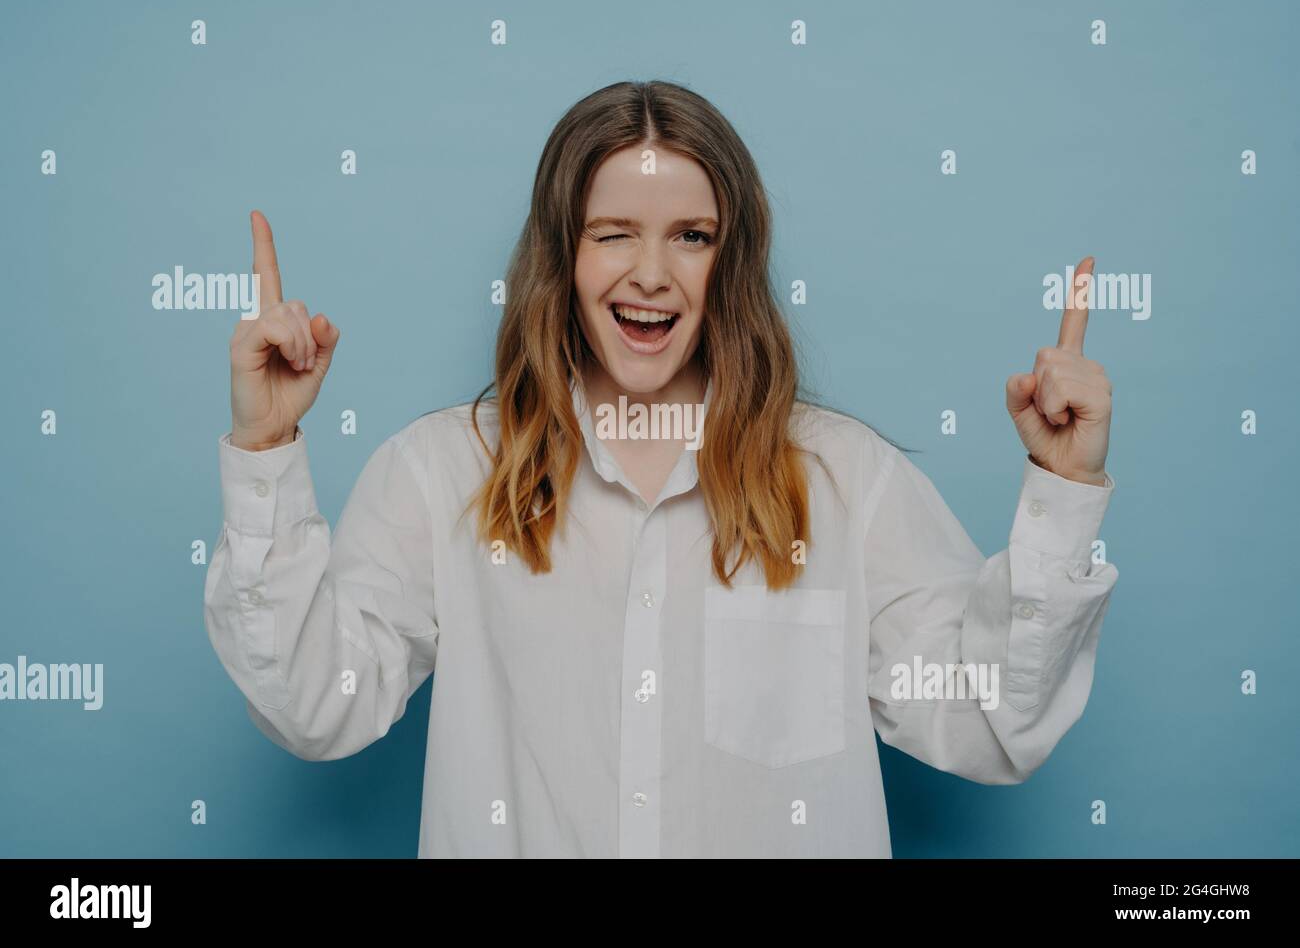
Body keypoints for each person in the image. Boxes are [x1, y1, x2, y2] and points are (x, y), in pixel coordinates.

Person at [204, 80, 1118, 858]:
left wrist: (1063, 495)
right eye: (612, 234)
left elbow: (994, 719)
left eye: (691, 235)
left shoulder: (846, 479)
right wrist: (266, 453)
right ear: (560, 256)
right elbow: (316, 705)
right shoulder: (440, 472)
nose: (652, 274)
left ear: (734, 259)